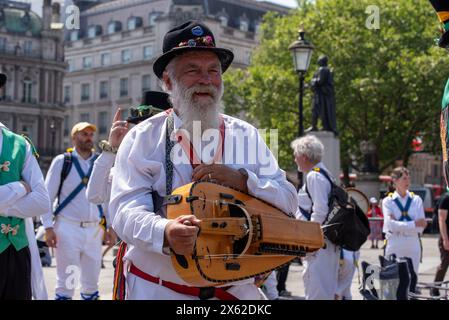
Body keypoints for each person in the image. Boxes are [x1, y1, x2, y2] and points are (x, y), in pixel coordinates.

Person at [109, 20, 298, 300]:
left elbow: (289, 200)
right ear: (168, 81)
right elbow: (123, 211)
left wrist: (246, 182)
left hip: (236, 293)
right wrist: (165, 231)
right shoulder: (143, 138)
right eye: (193, 70)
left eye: (213, 71)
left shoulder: (247, 135)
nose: (206, 80)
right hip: (162, 291)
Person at [86, 91, 171, 269]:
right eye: (140, 125)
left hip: (171, 260)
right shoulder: (124, 165)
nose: (143, 131)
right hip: (134, 262)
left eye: (150, 124)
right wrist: (110, 150)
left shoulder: (181, 161)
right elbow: (94, 195)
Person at [41, 122, 114, 300]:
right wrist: (48, 227)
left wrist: (110, 227)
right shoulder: (62, 161)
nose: (88, 137)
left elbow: (107, 198)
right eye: (84, 134)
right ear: (74, 137)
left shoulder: (100, 162)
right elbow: (47, 197)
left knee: (92, 283)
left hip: (94, 230)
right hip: (67, 228)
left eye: (90, 134)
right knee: (66, 283)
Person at [0, 72, 50, 300]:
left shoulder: (20, 144)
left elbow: (41, 201)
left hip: (17, 251)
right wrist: (19, 188)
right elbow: (30, 195)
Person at [292, 135, 339, 300]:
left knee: (316, 292)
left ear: (304, 157)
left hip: (318, 246)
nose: (295, 159)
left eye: (296, 155)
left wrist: (309, 243)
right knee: (324, 290)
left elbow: (319, 211)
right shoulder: (324, 173)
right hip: (325, 244)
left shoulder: (314, 176)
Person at [382, 167, 427, 276]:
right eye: (404, 178)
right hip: (394, 241)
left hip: (413, 241)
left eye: (408, 178)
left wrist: (398, 224)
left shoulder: (416, 200)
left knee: (412, 277)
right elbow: (390, 225)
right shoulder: (388, 201)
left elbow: (421, 226)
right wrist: (414, 223)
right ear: (395, 181)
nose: (408, 181)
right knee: (393, 278)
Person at [306, 56, 337, 135]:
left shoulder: (322, 69)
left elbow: (320, 81)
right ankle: (324, 126)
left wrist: (312, 81)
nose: (318, 61)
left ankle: (314, 126)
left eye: (319, 60)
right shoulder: (328, 70)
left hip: (320, 96)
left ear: (322, 61)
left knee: (315, 110)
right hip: (324, 95)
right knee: (323, 111)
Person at [431, 190, 449, 296]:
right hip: (446, 236)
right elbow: (441, 220)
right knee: (444, 264)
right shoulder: (446, 199)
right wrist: (445, 239)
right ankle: (435, 288)